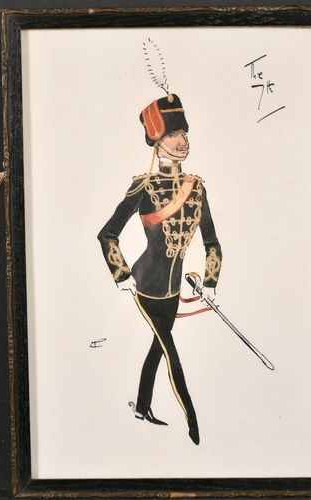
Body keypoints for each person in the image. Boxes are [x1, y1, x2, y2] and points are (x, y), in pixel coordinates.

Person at [97, 93, 222, 445]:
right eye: (173, 134)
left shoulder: (197, 188)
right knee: (171, 353)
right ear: (157, 141)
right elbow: (107, 234)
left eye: (184, 132)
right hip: (146, 285)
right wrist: (121, 274)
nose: (183, 141)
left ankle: (141, 407)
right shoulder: (144, 187)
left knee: (157, 348)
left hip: (174, 290)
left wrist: (210, 282)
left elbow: (212, 242)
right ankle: (193, 421)